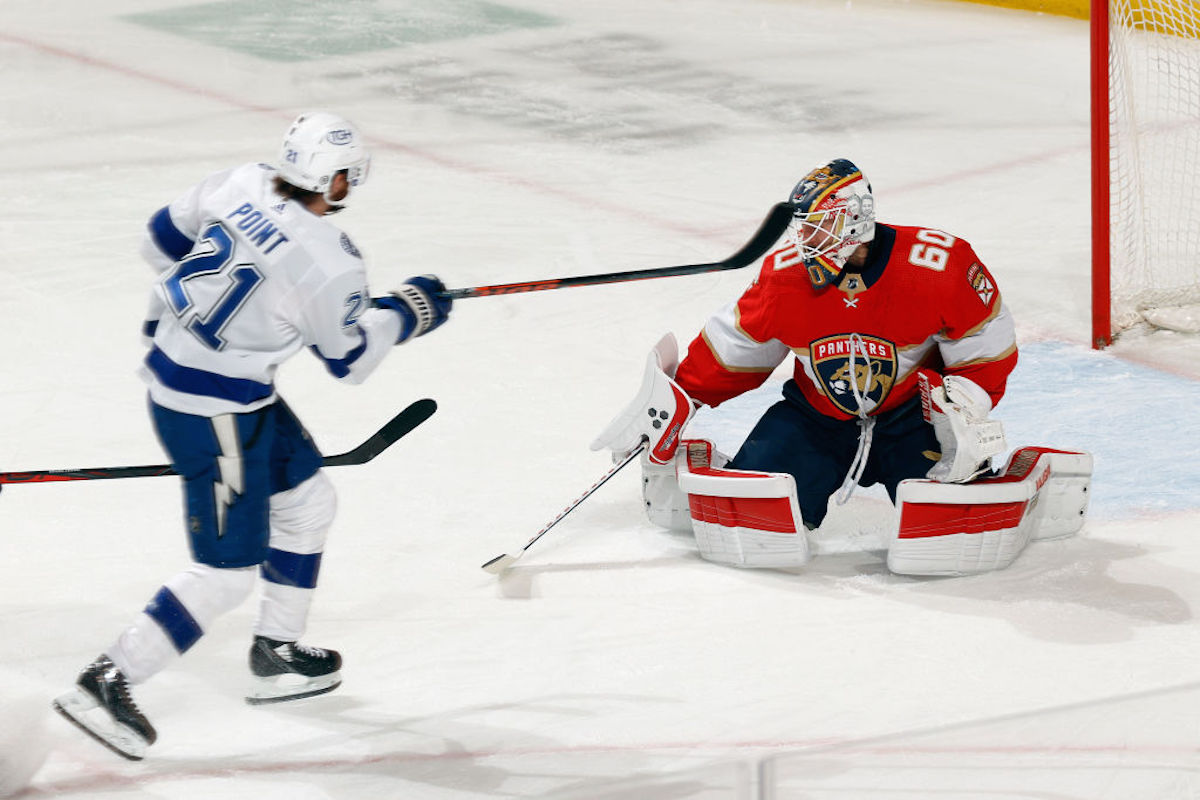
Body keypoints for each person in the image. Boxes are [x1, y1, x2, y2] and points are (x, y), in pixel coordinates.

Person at [52, 111, 452, 760]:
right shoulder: (331, 261)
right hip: (215, 414)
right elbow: (349, 359)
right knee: (225, 574)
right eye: (348, 175)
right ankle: (108, 680)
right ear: (335, 178)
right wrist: (408, 313)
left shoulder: (240, 182)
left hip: (217, 386)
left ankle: (279, 650)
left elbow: (158, 241)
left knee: (310, 502)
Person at [592, 158, 1021, 568]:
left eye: (821, 227)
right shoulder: (785, 278)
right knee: (751, 523)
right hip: (815, 419)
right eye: (806, 229)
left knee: (950, 532)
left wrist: (964, 402)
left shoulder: (938, 267)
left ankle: (988, 482)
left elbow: (987, 343)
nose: (808, 241)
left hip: (912, 421)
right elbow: (734, 348)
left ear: (857, 219)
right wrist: (679, 398)